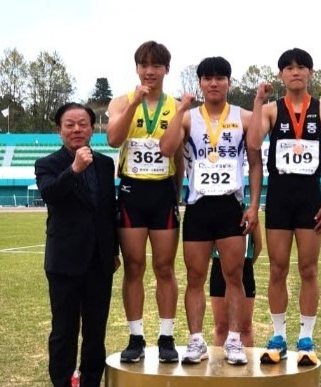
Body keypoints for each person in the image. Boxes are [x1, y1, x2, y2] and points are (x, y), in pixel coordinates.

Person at [160, 56, 262, 365]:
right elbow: (166, 149)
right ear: (200, 82)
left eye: (220, 78)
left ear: (229, 82)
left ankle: (233, 340)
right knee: (195, 277)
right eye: (207, 78)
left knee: (234, 275)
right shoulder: (190, 117)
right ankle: (195, 341)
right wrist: (179, 109)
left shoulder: (243, 116)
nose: (213, 83)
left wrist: (254, 206)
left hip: (231, 205)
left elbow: (256, 153)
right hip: (198, 206)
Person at [248, 48, 321, 365]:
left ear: (310, 73)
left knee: (308, 269)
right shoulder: (273, 111)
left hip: (310, 199)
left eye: (301, 67)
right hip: (279, 197)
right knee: (277, 268)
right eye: (288, 68)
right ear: (281, 75)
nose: (295, 72)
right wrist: (259, 101)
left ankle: (306, 338)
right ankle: (278, 336)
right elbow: (252, 144)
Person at [35, 103, 120, 387]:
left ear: (93, 128)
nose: (76, 130)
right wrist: (74, 170)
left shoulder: (104, 164)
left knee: (95, 333)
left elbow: (107, 211)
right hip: (64, 262)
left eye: (83, 124)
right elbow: (51, 195)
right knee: (63, 332)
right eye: (69, 124)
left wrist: (113, 250)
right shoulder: (48, 163)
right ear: (59, 130)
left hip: (99, 261)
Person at [107, 41, 184, 364]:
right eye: (143, 65)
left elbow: (178, 156)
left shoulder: (176, 106)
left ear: (166, 68)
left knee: (164, 267)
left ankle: (166, 336)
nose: (149, 71)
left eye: (156, 65)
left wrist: (176, 195)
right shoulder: (121, 101)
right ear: (136, 68)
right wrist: (134, 104)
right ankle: (135, 337)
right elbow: (113, 139)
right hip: (131, 193)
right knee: (134, 267)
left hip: (162, 193)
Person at [210, 223, 262, 348]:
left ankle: (248, 366)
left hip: (244, 266)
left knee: (245, 326)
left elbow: (258, 245)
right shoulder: (215, 208)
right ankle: (218, 366)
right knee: (221, 326)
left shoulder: (248, 210)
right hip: (219, 266)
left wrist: (246, 263)